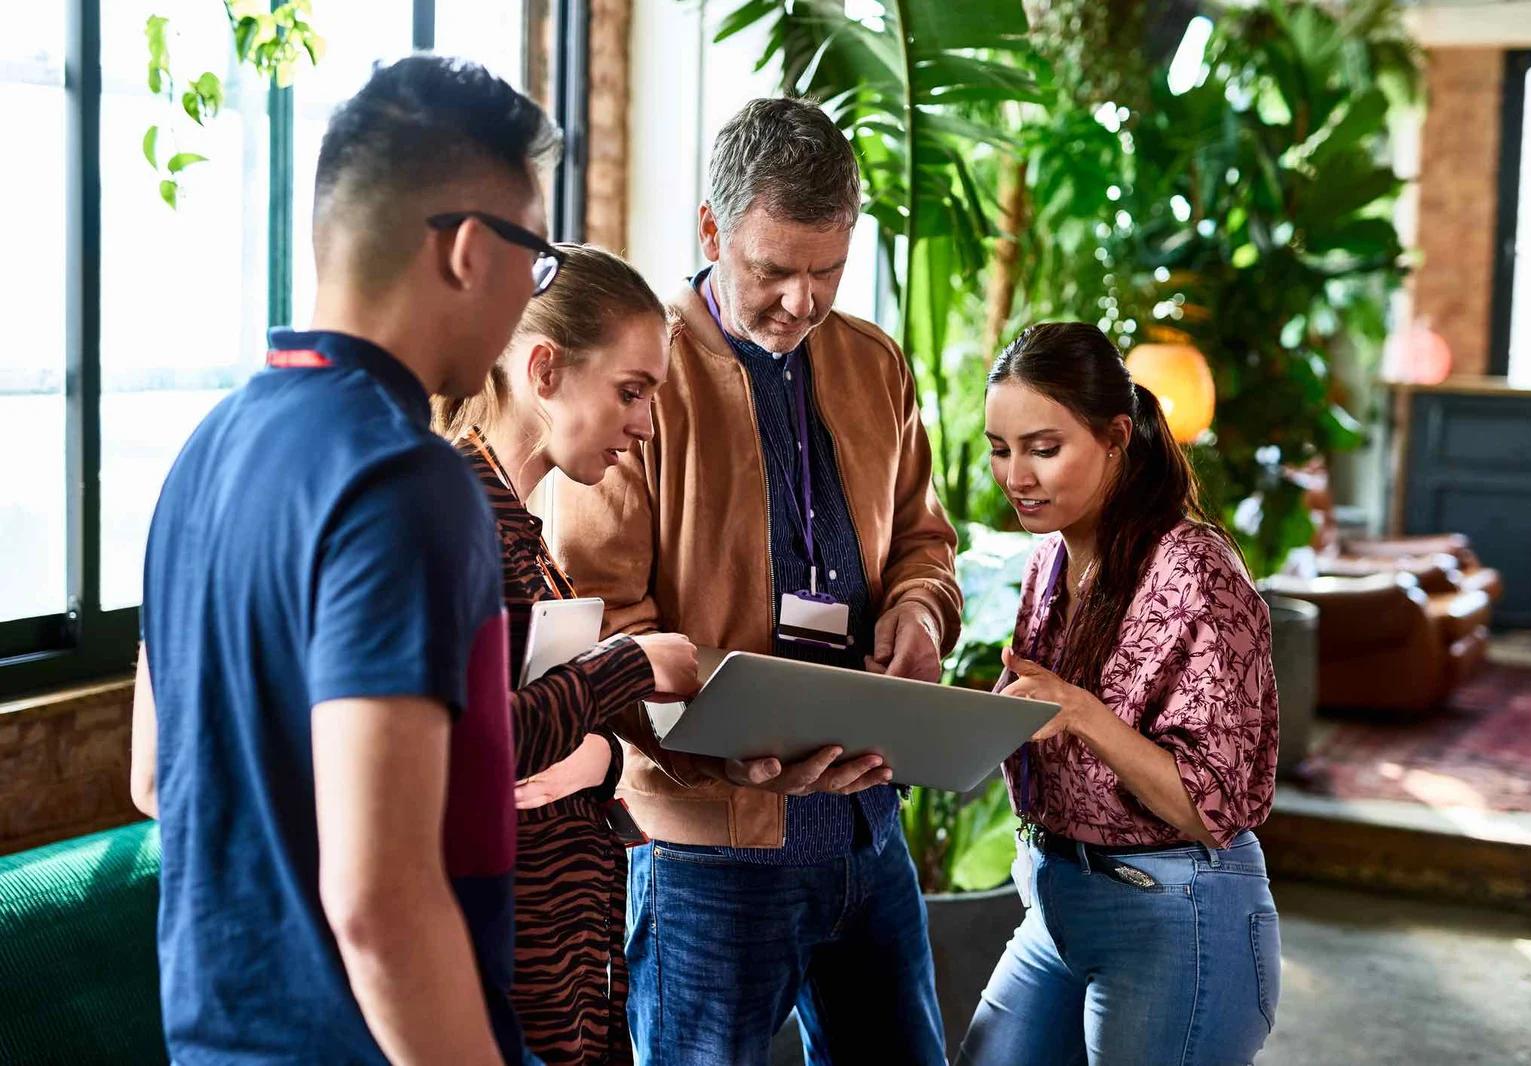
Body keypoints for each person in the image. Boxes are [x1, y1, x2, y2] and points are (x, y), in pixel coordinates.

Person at [132, 56, 564, 1065]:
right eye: (534, 256)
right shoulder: (406, 482)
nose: (530, 294)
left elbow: (154, 775)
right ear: (466, 250)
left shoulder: (202, 451)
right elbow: (381, 901)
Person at [553, 97, 961, 1066]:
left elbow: (923, 541)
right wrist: (713, 753)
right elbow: (601, 616)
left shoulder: (873, 362)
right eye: (773, 269)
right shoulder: (641, 376)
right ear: (710, 230)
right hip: (708, 851)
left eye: (826, 270)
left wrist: (916, 609)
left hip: (865, 821)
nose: (801, 301)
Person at [956, 322, 1281, 1066]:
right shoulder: (1049, 560)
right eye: (1000, 449)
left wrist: (1081, 713)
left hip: (1177, 916)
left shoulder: (1195, 570)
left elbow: (1212, 807)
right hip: (1057, 904)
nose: (1016, 476)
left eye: (1044, 448)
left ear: (1115, 438)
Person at [433, 244, 698, 1066]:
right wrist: (634, 663)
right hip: (507, 998)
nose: (645, 425)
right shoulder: (454, 513)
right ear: (544, 370)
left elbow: (552, 748)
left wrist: (600, 756)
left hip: (572, 990)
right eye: (631, 392)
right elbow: (475, 748)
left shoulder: (523, 528)